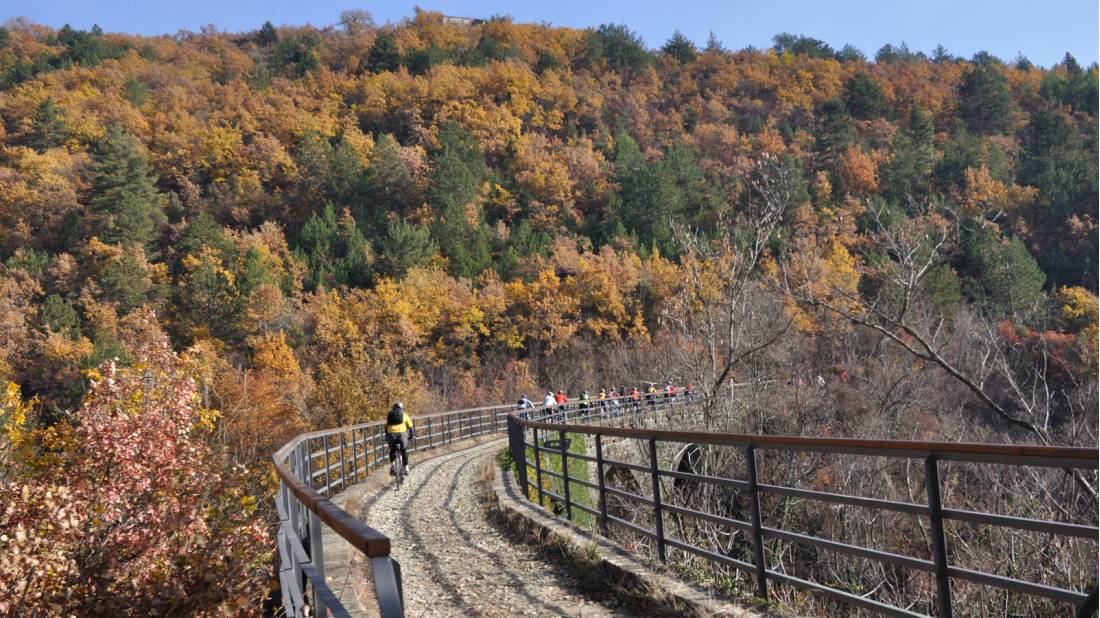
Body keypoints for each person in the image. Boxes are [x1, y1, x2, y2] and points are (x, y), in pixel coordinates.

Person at [385, 402, 414, 476]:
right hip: (401, 435)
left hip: (391, 435)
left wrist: (386, 436)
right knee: (403, 449)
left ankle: (393, 465)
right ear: (401, 408)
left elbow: (386, 426)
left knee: (392, 449)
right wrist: (412, 436)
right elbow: (410, 427)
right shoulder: (404, 414)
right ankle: (406, 468)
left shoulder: (390, 415)